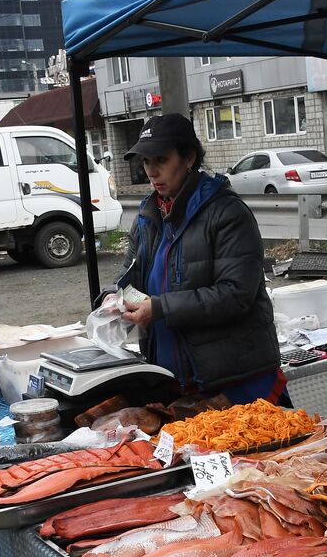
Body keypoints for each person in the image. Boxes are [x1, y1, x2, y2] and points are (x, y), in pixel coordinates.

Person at [117, 113, 286, 405]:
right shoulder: (147, 215)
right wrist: (115, 297)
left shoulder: (226, 213)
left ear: (189, 158)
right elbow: (130, 276)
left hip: (236, 380)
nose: (151, 172)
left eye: (161, 160)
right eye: (145, 162)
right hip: (175, 379)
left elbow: (236, 294)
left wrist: (161, 308)